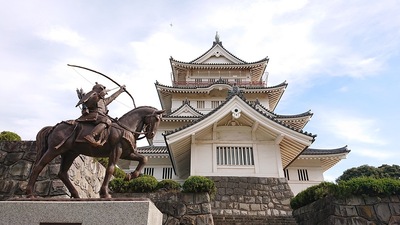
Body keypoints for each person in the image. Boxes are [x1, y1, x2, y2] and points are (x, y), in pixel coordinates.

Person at [76, 82, 126, 147]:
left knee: (114, 125)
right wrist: (100, 95)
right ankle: (91, 136)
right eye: (102, 89)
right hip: (93, 115)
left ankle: (103, 140)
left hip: (101, 116)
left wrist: (120, 91)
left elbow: (112, 97)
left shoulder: (103, 101)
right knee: (107, 121)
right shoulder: (92, 96)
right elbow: (90, 103)